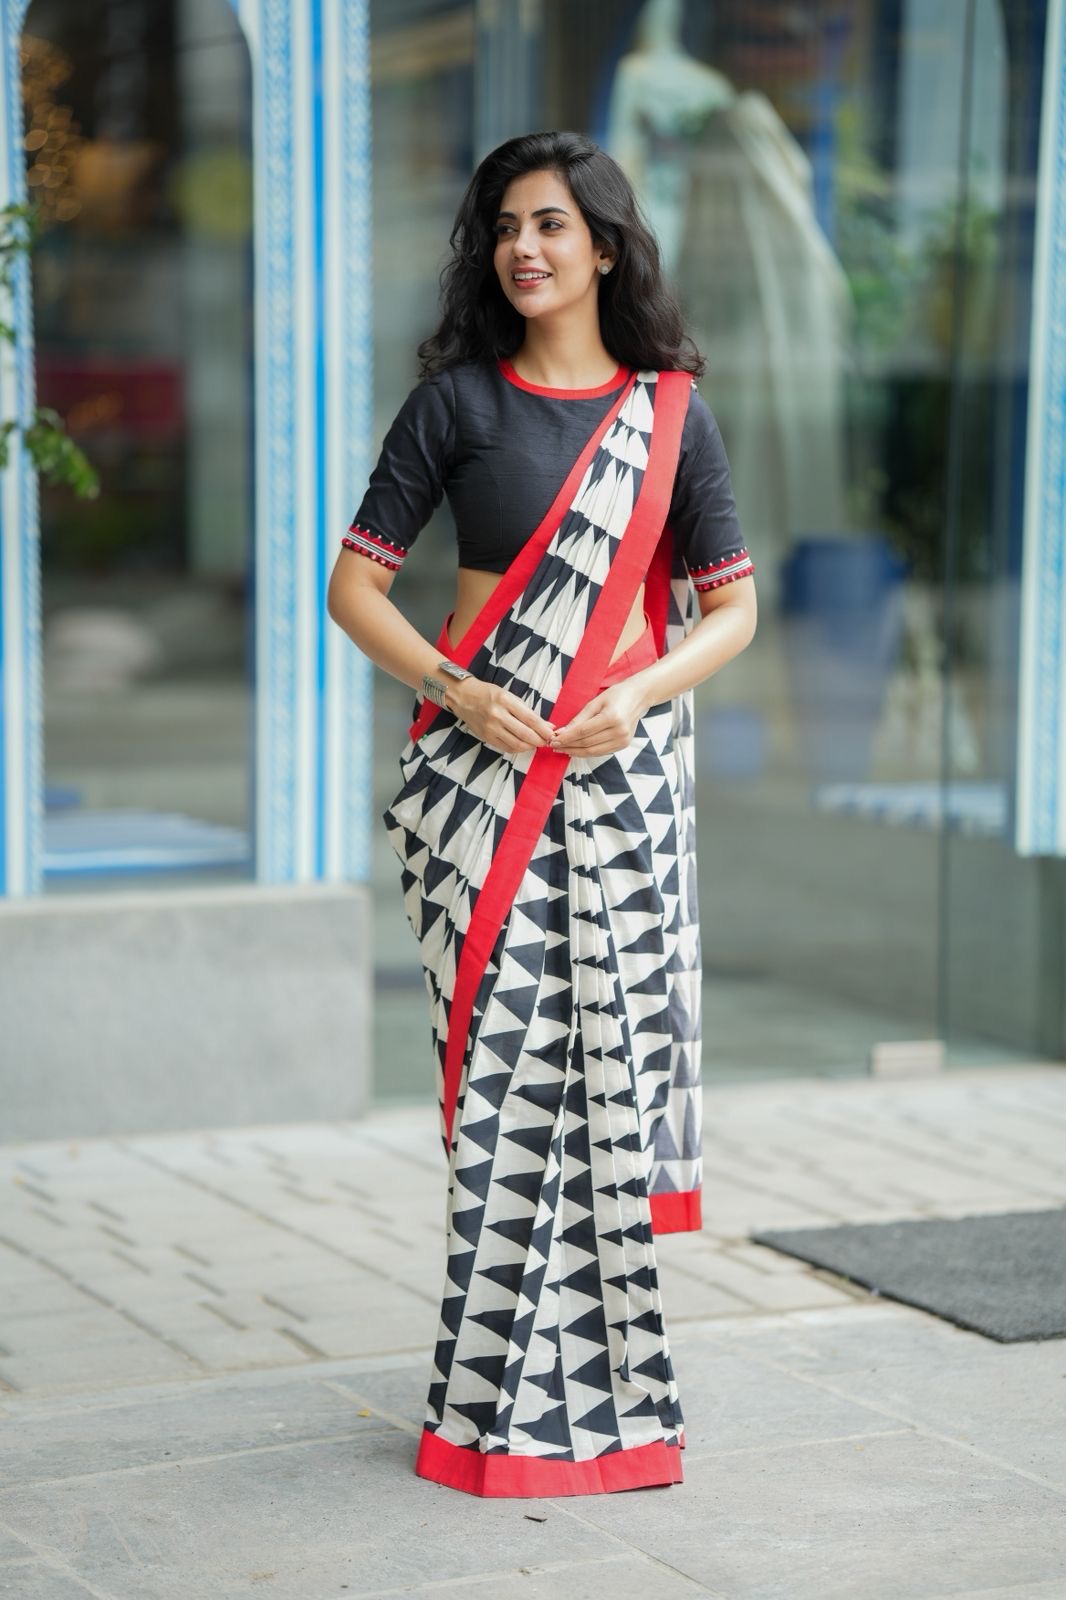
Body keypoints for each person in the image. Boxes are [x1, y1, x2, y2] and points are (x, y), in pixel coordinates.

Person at [327, 129, 757, 1499]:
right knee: (502, 1099)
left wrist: (638, 698)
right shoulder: (454, 406)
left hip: (616, 787)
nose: (522, 248)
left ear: (607, 246)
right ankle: (487, 1412)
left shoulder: (670, 415)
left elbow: (731, 609)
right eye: (504, 226)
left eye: (551, 225)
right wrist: (457, 693)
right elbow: (354, 591)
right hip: (474, 790)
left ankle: (618, 1406)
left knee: (601, 1096)